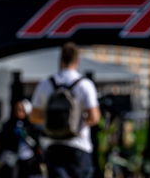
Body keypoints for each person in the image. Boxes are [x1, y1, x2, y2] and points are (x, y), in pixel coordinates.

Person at [30, 42, 100, 178]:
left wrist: (52, 119)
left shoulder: (46, 84)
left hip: (53, 145)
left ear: (60, 59)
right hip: (79, 145)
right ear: (78, 60)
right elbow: (94, 118)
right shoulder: (84, 84)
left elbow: (34, 117)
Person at [0, 100, 42, 178]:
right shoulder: (9, 124)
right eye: (17, 109)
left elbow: (36, 143)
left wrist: (26, 136)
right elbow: (1, 142)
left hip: (28, 158)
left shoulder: (31, 126)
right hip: (12, 158)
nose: (19, 112)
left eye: (21, 110)